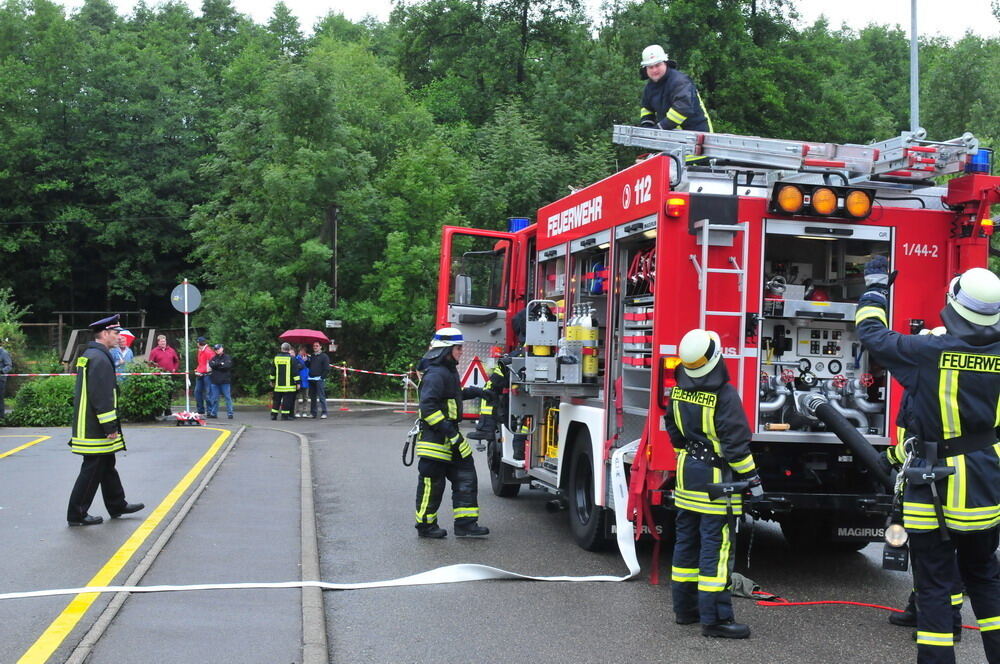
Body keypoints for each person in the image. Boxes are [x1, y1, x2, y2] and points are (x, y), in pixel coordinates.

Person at [857, 260, 1000, 664]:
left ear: (954, 305)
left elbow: (871, 333)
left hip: (932, 490)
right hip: (986, 489)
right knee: (987, 581)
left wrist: (874, 289)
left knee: (935, 588)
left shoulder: (927, 352)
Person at [664, 328, 763, 639]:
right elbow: (736, 447)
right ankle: (716, 619)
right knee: (716, 551)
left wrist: (689, 458)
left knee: (685, 547)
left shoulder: (678, 389)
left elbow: (674, 431)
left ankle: (685, 611)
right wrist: (753, 480)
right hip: (717, 487)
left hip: (686, 479)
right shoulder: (725, 395)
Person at [413, 327, 494, 539]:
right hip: (436, 440)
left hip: (450, 437)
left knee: (466, 475)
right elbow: (428, 407)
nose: (461, 351)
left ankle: (466, 524)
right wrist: (450, 433)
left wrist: (477, 392)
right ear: (446, 350)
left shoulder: (448, 372)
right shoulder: (436, 374)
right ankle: (426, 526)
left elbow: (452, 396)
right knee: (432, 484)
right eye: (458, 348)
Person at [66, 314, 144, 526]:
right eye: (116, 333)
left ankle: (117, 504)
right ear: (105, 333)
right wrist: (109, 426)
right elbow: (102, 396)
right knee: (93, 469)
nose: (120, 337)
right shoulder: (99, 358)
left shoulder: (92, 354)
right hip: (95, 426)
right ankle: (77, 514)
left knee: (107, 464)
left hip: (90, 423)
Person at [638, 45, 713, 133]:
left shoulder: (680, 81)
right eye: (650, 67)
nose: (654, 70)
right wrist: (646, 126)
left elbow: (682, 109)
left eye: (657, 65)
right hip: (673, 136)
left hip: (698, 135)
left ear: (665, 63)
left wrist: (659, 128)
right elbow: (647, 108)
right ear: (645, 69)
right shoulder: (650, 87)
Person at [148, 334, 180, 417]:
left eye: (164, 341)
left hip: (169, 375)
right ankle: (158, 411)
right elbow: (150, 363)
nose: (163, 343)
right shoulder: (154, 351)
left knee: (169, 392)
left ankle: (167, 410)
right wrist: (154, 371)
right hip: (159, 375)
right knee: (160, 393)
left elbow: (176, 361)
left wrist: (174, 369)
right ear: (158, 342)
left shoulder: (171, 350)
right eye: (161, 341)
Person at [271, 342, 299, 421]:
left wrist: (272, 381)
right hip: (289, 386)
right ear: (289, 349)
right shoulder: (292, 358)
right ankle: (284, 416)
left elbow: (272, 371)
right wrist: (298, 383)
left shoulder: (276, 358)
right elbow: (295, 372)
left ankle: (274, 415)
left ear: (281, 349)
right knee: (287, 402)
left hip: (278, 386)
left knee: (276, 401)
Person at [207, 344, 234, 420]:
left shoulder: (227, 357)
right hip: (215, 381)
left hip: (225, 381)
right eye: (215, 349)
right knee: (214, 398)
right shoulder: (213, 358)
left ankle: (230, 413)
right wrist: (220, 364)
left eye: (218, 349)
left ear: (222, 349)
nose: (217, 350)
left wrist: (217, 365)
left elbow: (227, 366)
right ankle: (213, 413)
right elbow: (211, 364)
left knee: (227, 398)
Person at [309, 341, 330, 419]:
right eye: (314, 346)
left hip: (319, 379)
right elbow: (309, 365)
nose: (315, 347)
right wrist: (306, 361)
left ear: (320, 347)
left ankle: (324, 412)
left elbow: (327, 368)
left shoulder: (324, 356)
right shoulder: (312, 356)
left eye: (317, 346)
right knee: (312, 397)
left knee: (321, 396)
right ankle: (313, 413)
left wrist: (322, 377)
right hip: (311, 379)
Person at [194, 336, 214, 415]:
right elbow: (201, 363)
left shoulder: (208, 351)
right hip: (200, 373)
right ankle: (200, 410)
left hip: (207, 375)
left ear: (199, 343)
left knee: (208, 393)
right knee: (197, 392)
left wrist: (203, 371)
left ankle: (210, 411)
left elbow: (211, 364)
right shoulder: (200, 350)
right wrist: (198, 369)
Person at [295, 347, 311, 417]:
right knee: (297, 397)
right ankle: (297, 411)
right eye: (301, 350)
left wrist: (307, 361)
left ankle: (305, 411)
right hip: (299, 380)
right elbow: (297, 368)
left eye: (304, 351)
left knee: (305, 397)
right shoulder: (296, 359)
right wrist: (303, 362)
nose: (303, 352)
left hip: (306, 380)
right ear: (299, 351)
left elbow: (310, 366)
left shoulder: (308, 358)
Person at [0, 339, 11, 420]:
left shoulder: (4, 353)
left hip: (0, 379)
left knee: (0, 398)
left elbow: (9, 366)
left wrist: (1, 371)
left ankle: (1, 418)